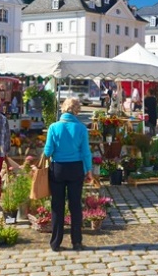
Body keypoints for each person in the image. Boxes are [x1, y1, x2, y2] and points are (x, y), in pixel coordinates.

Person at [43, 98, 94, 252]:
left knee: (57, 206)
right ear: (77, 110)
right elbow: (86, 152)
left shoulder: (54, 127)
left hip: (58, 168)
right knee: (75, 206)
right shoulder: (81, 128)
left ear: (63, 109)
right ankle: (76, 241)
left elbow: (48, 151)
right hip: (76, 168)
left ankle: (56, 242)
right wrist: (89, 170)